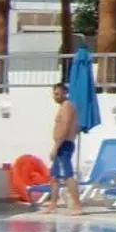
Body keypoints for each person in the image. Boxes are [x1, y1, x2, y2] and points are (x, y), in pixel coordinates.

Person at [46, 81, 83, 213]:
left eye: (57, 94)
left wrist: (56, 147)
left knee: (68, 176)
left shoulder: (67, 106)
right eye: (54, 94)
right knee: (54, 177)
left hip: (63, 145)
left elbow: (65, 127)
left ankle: (78, 206)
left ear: (65, 93)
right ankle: (52, 205)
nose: (55, 96)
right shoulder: (64, 106)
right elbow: (75, 127)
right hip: (62, 144)